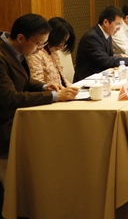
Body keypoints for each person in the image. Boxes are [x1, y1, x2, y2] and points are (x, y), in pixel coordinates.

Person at [0, 14, 78, 153]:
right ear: (21, 38)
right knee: (59, 131)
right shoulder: (3, 56)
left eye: (43, 44)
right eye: (39, 43)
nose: (41, 49)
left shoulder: (18, 49)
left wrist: (44, 86)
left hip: (17, 114)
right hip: (6, 122)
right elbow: (10, 97)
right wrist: (55, 96)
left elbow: (23, 80)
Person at [74, 6, 128, 82]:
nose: (119, 28)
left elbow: (107, 56)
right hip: (87, 81)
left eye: (121, 25)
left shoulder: (107, 34)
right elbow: (105, 60)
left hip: (102, 77)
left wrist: (119, 56)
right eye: (118, 24)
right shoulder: (92, 37)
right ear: (106, 22)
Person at [26, 17, 76, 87]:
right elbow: (38, 84)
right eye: (61, 41)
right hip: (51, 93)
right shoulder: (35, 53)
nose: (62, 46)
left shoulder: (53, 52)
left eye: (65, 42)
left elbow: (63, 80)